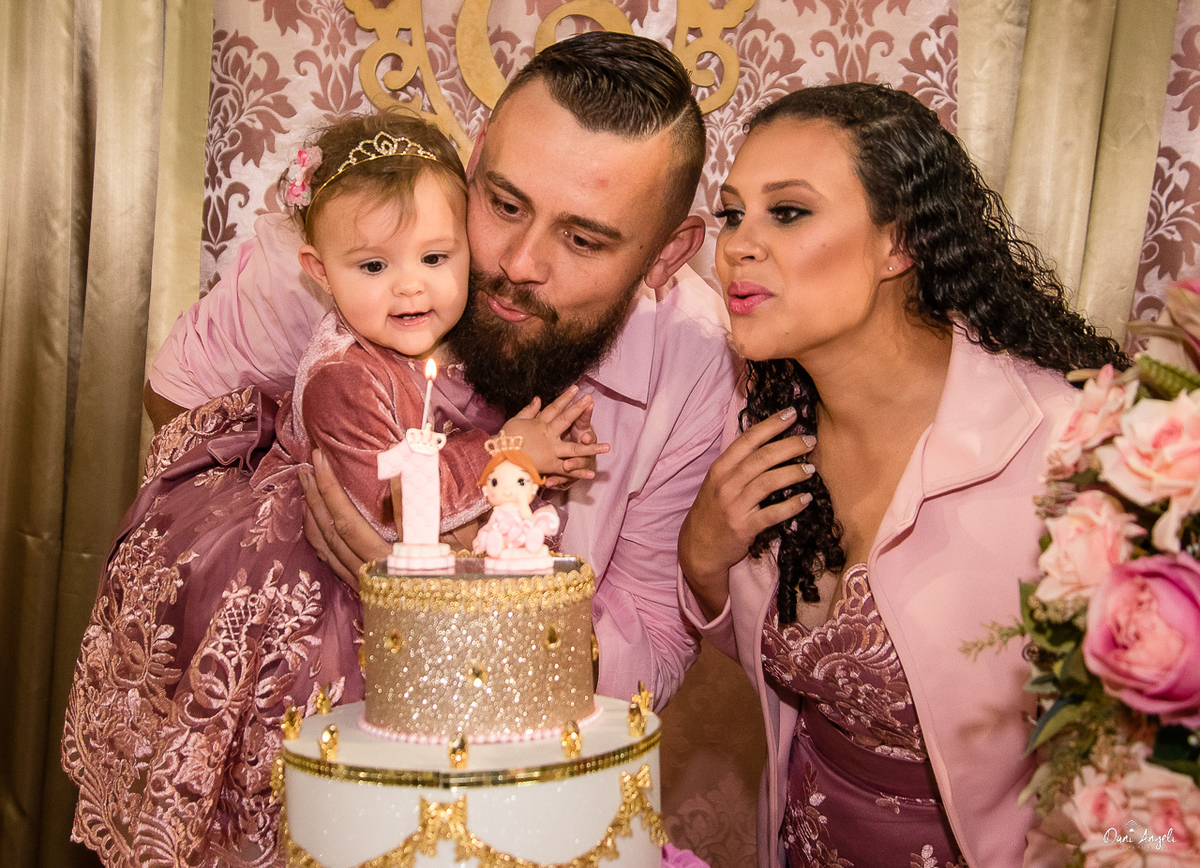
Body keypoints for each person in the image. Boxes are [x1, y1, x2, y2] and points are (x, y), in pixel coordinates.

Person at [62, 111, 606, 866]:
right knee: (321, 760)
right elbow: (392, 506)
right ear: (319, 271)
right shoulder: (342, 378)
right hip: (312, 582)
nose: (410, 285)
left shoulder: (451, 339)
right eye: (373, 266)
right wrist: (513, 452)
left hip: (398, 580)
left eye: (435, 257)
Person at [143, 31, 735, 709]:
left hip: (524, 744)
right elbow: (179, 397)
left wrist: (454, 600)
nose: (519, 263)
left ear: (666, 255)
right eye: (505, 205)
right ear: (476, 158)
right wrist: (278, 537)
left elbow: (651, 653)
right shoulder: (359, 250)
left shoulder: (695, 361)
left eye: (581, 239)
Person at [676, 83, 1127, 868]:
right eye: (733, 214)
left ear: (900, 243)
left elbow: (1126, 761)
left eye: (788, 212)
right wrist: (702, 562)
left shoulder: (1068, 449)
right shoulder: (764, 419)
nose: (739, 245)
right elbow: (788, 667)